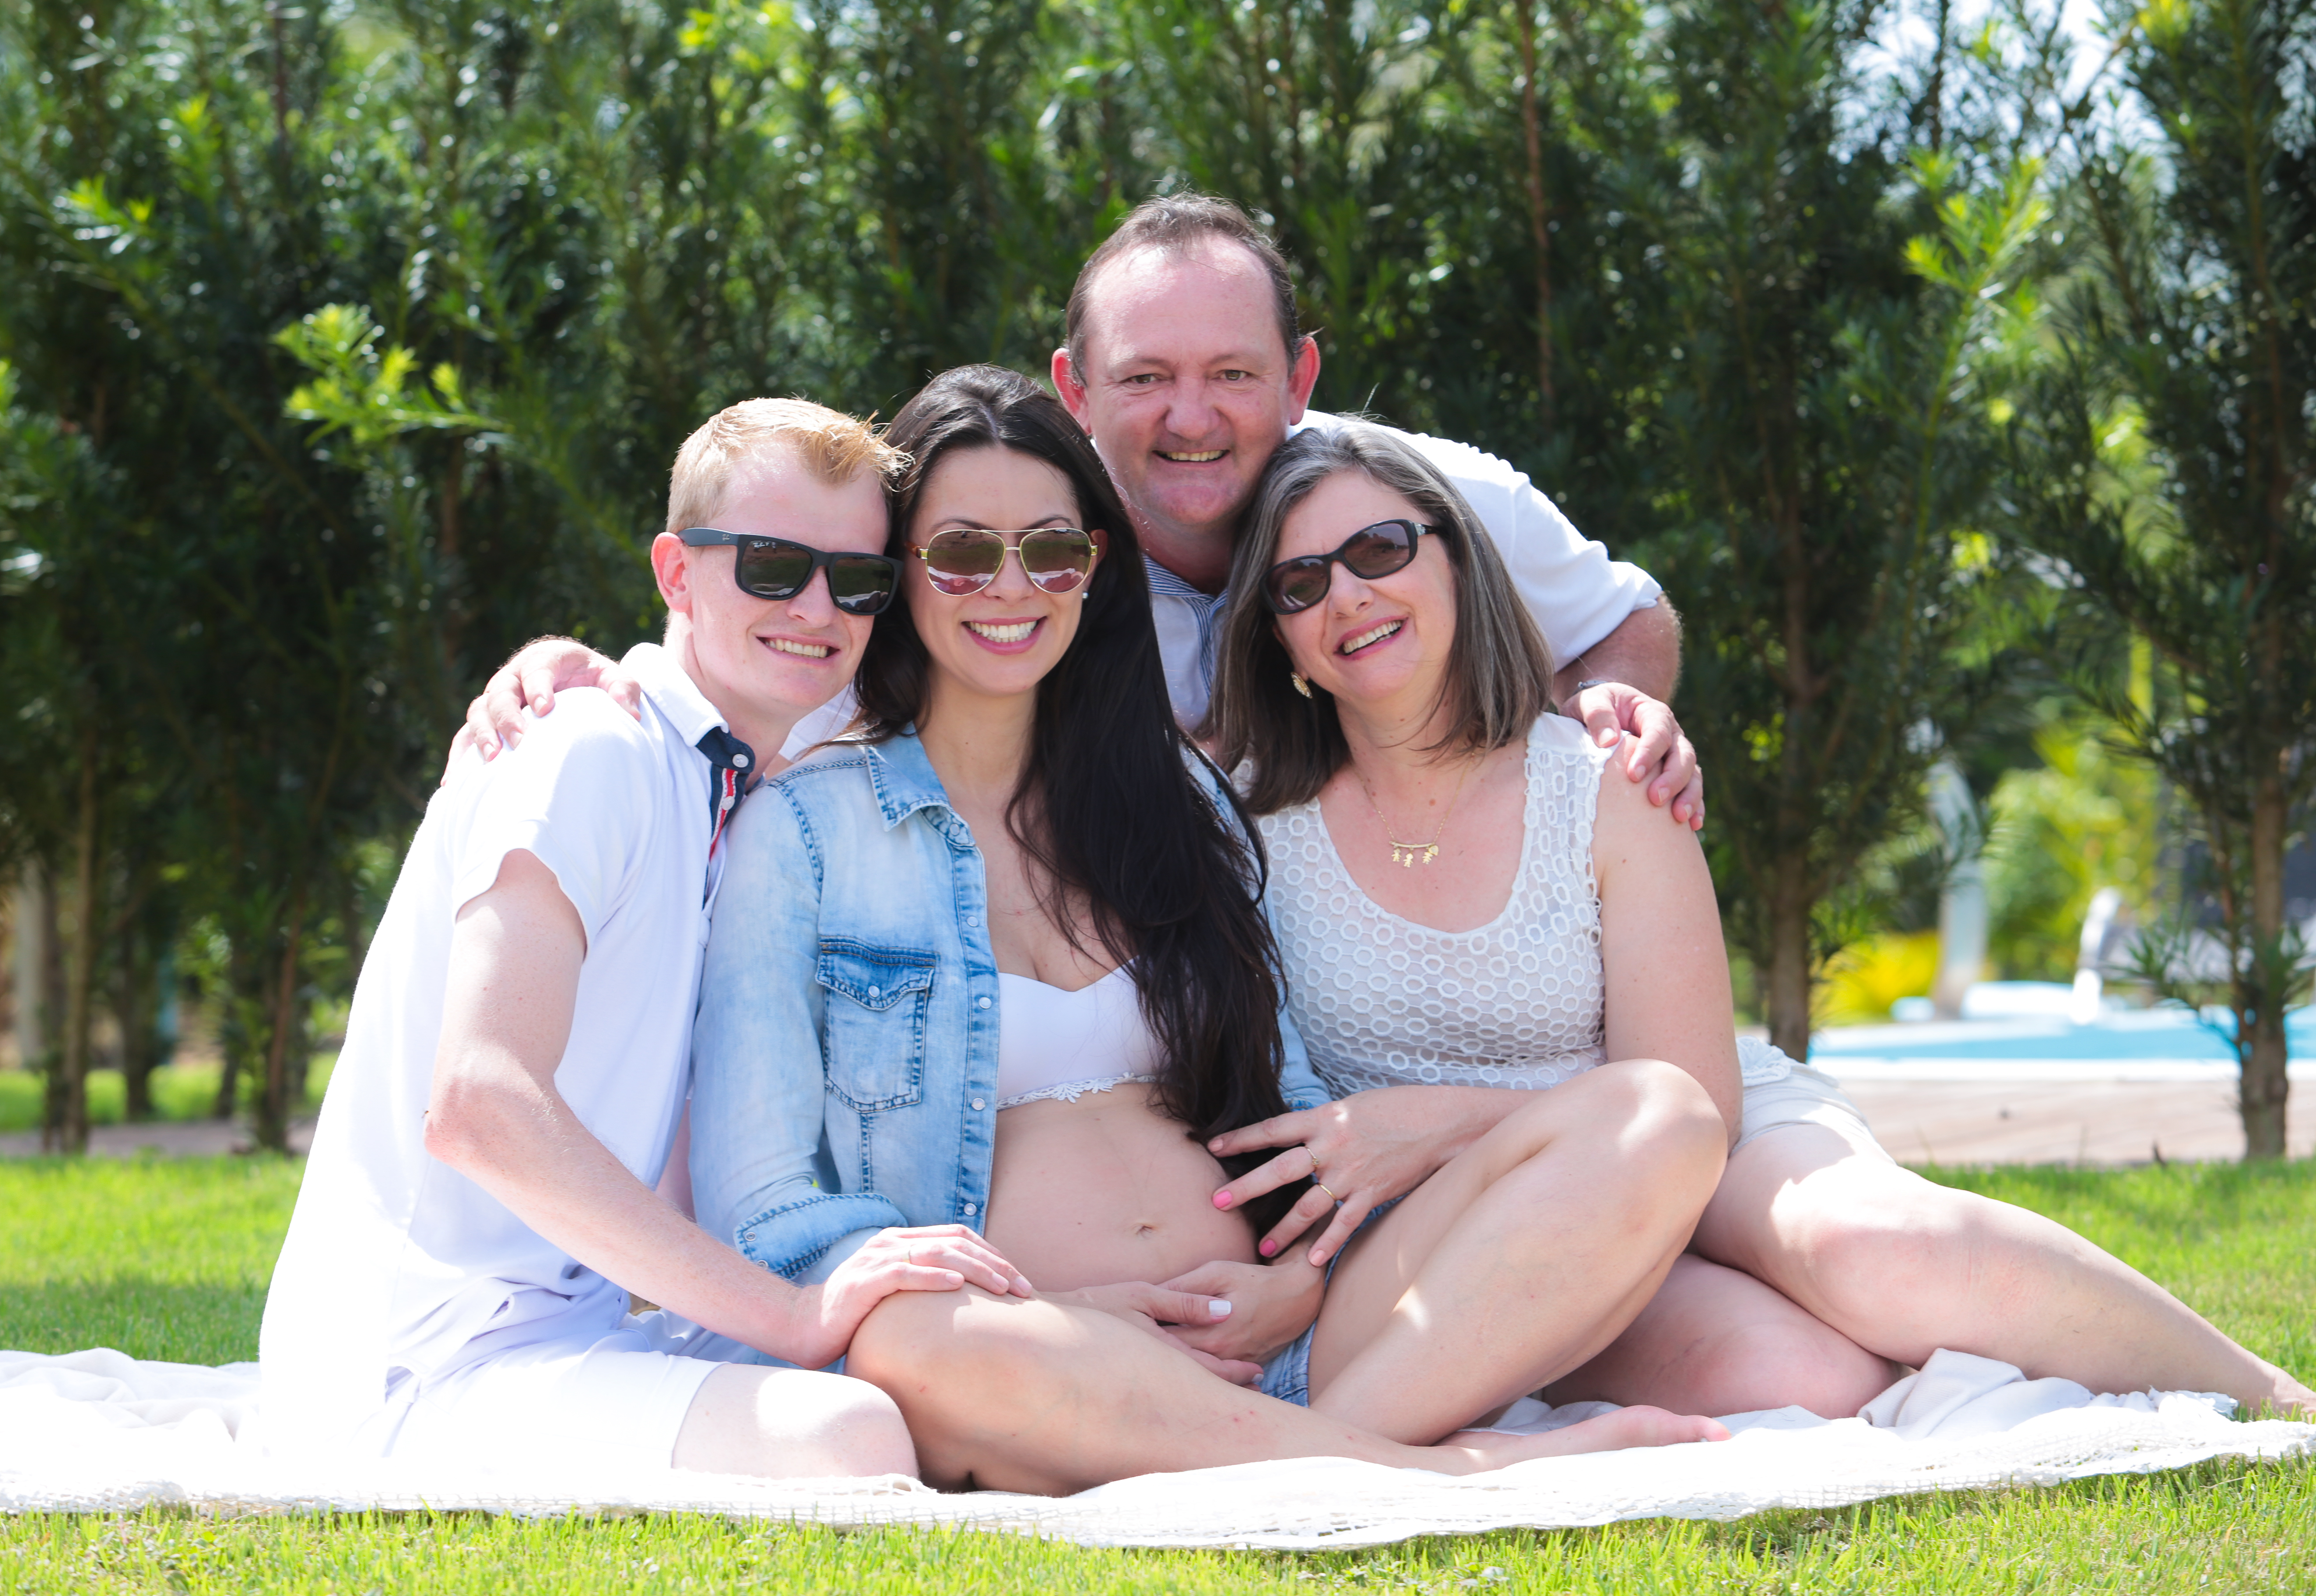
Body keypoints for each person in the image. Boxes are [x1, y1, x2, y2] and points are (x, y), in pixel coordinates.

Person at [694, 365, 1731, 1496]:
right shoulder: (803, 833)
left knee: (1661, 1117)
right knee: (908, 1344)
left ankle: (1316, 1457)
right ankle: (1432, 1474)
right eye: (961, 553)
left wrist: (1303, 1277)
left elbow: (1275, 1092)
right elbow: (768, 1206)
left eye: (1051, 550)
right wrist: (1044, 1312)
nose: (1011, 587)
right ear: (901, 578)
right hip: (1028, 1351)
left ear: (1095, 569)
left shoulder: (1177, 797)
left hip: (1293, 1341)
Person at [1198, 420, 2316, 1421]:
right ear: (1278, 638)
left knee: (1870, 1248)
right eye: (1299, 585)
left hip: (1702, 1129)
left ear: (1455, 559)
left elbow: (1691, 1098)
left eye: (1381, 552)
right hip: (1493, 1216)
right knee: (1803, 1381)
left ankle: (2271, 1399)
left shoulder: (1602, 774)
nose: (1347, 596)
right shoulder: (1246, 820)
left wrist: (1433, 1122)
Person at [258, 400, 1033, 1478]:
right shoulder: (591, 750)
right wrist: (797, 1316)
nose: (818, 607)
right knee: (850, 1436)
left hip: (584, 1336)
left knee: (944, 1382)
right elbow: (480, 1107)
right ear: (676, 573)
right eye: (771, 565)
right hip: (414, 1369)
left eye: (856, 580)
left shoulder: (744, 778)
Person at [448, 196, 1705, 828]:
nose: (1193, 419)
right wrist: (585, 666)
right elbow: (784, 604)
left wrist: (1607, 717)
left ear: (1302, 378)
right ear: (1075, 389)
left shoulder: (1413, 506)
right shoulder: (1012, 542)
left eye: (1234, 376)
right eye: (1148, 378)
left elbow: (1628, 614)